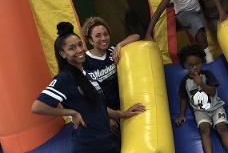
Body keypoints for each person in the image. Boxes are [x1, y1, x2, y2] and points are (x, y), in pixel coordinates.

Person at [32, 22, 145, 153]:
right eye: (72, 48)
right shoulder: (65, 78)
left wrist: (123, 114)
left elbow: (99, 107)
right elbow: (38, 107)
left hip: (106, 141)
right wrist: (71, 113)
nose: (79, 50)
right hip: (88, 145)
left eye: (80, 45)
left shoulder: (86, 75)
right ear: (63, 54)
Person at [144, 0, 227, 63]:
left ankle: (202, 55)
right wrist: (148, 33)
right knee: (196, 23)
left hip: (198, 11)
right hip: (183, 15)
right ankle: (208, 56)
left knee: (201, 34)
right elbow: (159, 11)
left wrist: (221, 10)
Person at [81, 16, 141, 134]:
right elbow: (88, 98)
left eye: (105, 34)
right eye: (98, 36)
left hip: (123, 107)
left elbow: (137, 36)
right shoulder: (85, 61)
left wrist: (119, 45)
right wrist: (107, 117)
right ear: (90, 40)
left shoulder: (113, 51)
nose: (103, 38)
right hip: (104, 113)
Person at [175, 45, 228, 153]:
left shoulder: (207, 75)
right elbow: (183, 98)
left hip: (216, 107)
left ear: (202, 62)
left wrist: (201, 83)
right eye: (190, 65)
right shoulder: (185, 81)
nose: (195, 68)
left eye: (197, 64)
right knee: (204, 129)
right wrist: (181, 114)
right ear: (185, 66)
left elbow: (212, 92)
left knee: (222, 127)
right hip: (200, 111)